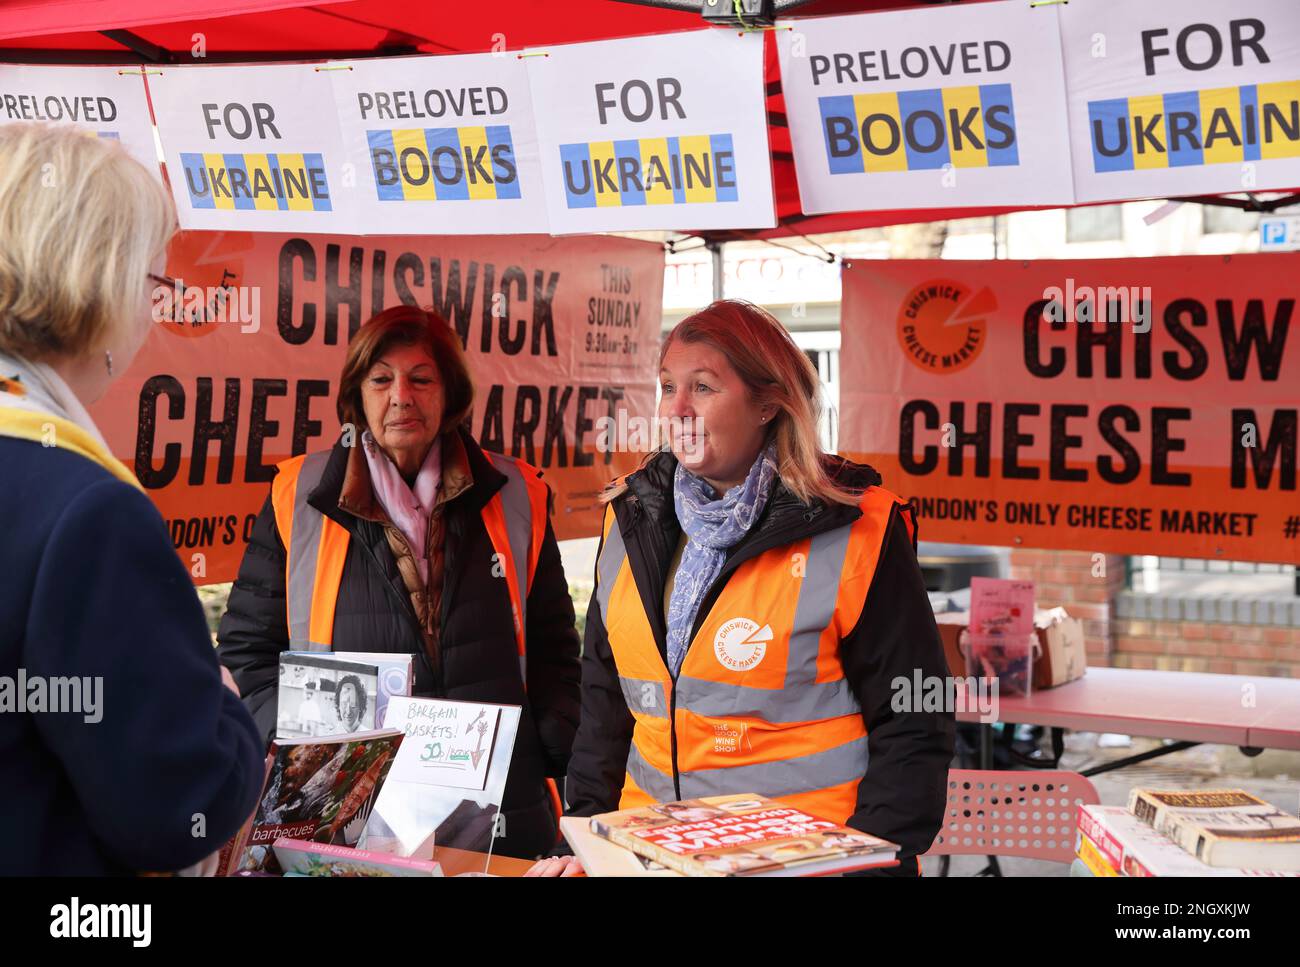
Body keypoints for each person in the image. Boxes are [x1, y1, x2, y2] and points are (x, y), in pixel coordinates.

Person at [527, 300, 955, 878]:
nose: (677, 408)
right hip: (649, 860)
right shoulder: (628, 516)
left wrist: (871, 860)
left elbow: (916, 718)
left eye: (703, 387)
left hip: (810, 866)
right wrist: (584, 840)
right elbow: (606, 708)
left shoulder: (857, 526)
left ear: (767, 404)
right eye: (667, 386)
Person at [218, 305, 581, 859]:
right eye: (381, 379)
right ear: (358, 395)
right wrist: (307, 751)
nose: (400, 397)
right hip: (349, 811)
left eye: (421, 379)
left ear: (450, 393)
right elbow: (247, 651)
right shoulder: (298, 496)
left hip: (499, 811)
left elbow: (557, 649)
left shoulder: (516, 492)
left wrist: (539, 746)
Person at [0, 122, 265, 875]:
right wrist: (222, 707)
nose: (155, 314)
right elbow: (173, 805)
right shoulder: (85, 512)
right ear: (103, 277)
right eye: (155, 282)